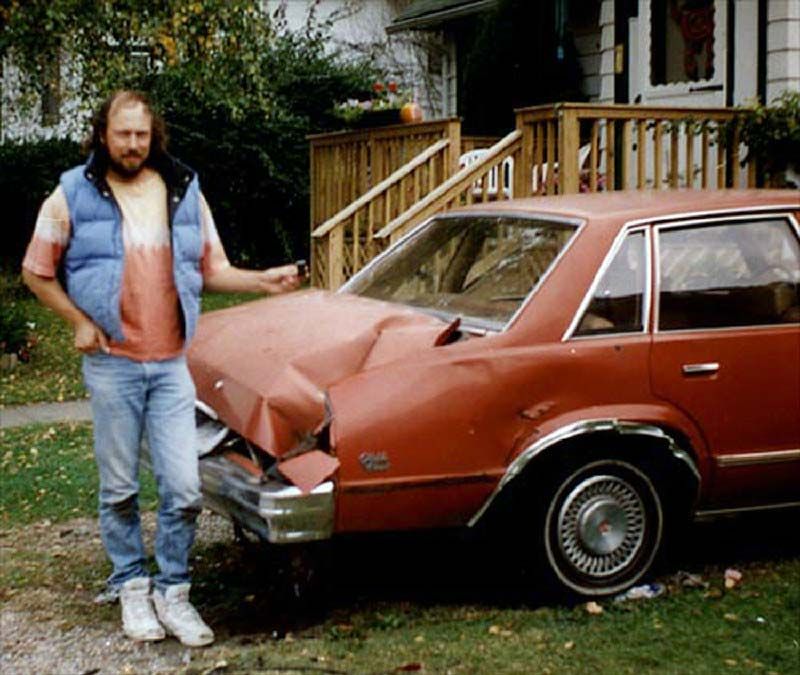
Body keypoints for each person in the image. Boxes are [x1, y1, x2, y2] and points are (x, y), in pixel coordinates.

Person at [21, 90, 301, 647]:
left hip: (172, 365)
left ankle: (174, 592)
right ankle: (131, 586)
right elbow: (37, 271)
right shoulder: (71, 193)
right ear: (103, 133)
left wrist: (261, 280)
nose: (132, 145)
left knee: (183, 486)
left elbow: (212, 269)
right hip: (112, 366)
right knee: (119, 487)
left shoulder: (183, 189)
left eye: (141, 135)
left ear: (155, 136)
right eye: (122, 134)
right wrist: (77, 319)